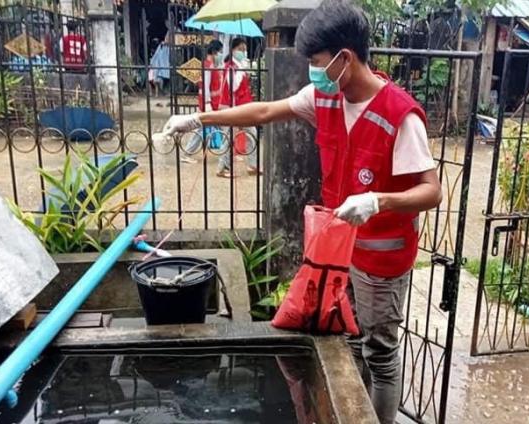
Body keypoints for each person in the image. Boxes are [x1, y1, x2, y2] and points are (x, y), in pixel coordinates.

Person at [161, 1, 441, 422]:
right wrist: (200, 119)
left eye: (316, 61)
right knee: (348, 341)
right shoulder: (325, 97)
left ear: (344, 58)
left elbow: (432, 191)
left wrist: (378, 201)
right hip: (341, 250)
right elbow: (264, 111)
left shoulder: (398, 115)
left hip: (383, 259)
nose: (312, 70)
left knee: (380, 353)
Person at [217, 38, 260, 178]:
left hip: (243, 106)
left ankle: (253, 165)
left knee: (252, 134)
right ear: (233, 50)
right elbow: (233, 87)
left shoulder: (237, 65)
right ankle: (223, 167)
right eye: (241, 49)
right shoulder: (230, 66)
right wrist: (241, 71)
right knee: (229, 138)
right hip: (232, 107)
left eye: (244, 49)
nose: (243, 52)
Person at [181, 40, 225, 164]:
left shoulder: (211, 66)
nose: (221, 54)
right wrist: (207, 103)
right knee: (202, 128)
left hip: (213, 103)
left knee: (219, 127)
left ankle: (227, 153)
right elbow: (205, 86)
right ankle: (187, 153)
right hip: (209, 104)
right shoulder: (207, 66)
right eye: (220, 52)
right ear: (215, 52)